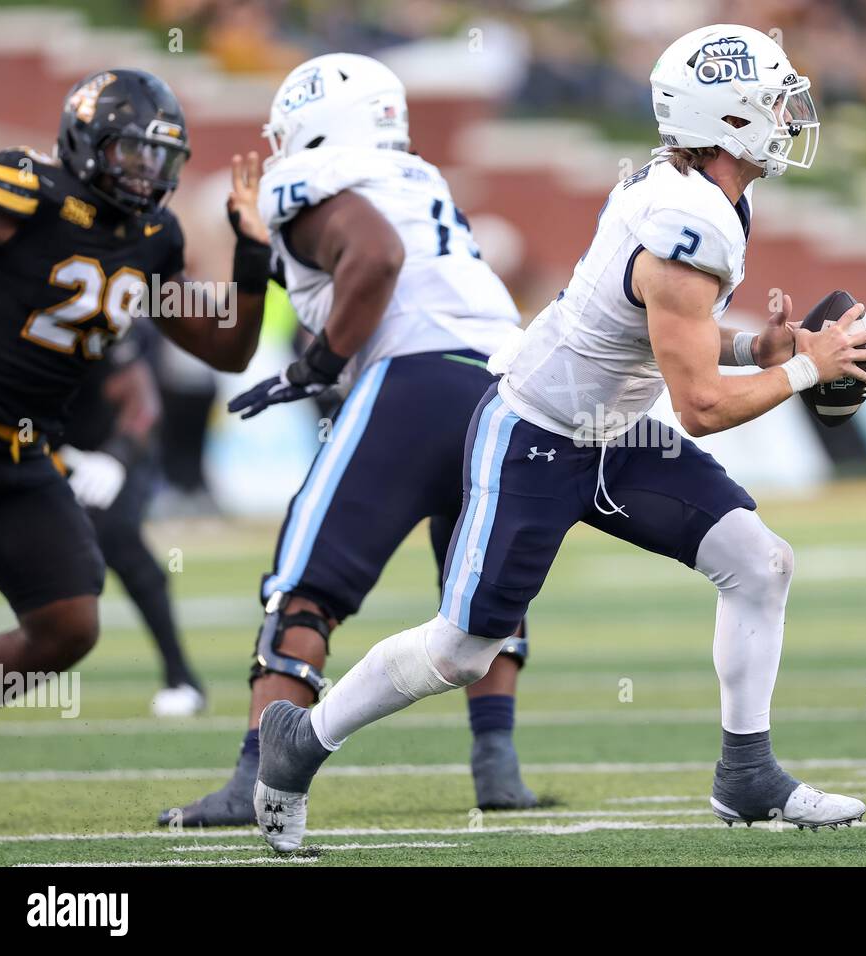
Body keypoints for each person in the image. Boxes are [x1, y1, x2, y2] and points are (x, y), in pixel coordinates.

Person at [251, 25, 866, 852]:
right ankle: (303, 740)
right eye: (770, 101)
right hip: (537, 436)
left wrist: (754, 349)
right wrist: (809, 370)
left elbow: (663, 333)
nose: (788, 113)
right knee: (462, 650)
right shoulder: (685, 220)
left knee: (760, 562)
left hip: (612, 429)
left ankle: (747, 775)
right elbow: (699, 408)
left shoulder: (708, 196)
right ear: (724, 121)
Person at [158, 53, 538, 828]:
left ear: (311, 123)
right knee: (481, 583)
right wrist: (257, 247)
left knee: (306, 586)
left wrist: (320, 362)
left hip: (417, 378)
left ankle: (255, 778)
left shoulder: (307, 178)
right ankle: (496, 766)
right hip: (509, 382)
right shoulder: (417, 176)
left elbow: (377, 256)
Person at [0, 69, 268, 709]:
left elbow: (226, 349)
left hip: (20, 457)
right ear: (86, 140)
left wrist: (252, 263)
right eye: (132, 151)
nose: (145, 171)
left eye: (159, 157)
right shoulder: (23, 192)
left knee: (67, 625)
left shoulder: (154, 239)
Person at [56, 319, 206, 715]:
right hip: (46, 452)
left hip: (115, 449)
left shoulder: (92, 314)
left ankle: (181, 676)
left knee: (116, 536)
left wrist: (116, 456)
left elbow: (142, 403)